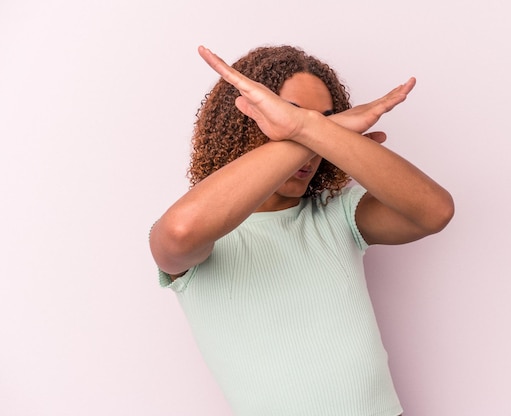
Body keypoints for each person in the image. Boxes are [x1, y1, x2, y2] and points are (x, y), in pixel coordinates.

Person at [149, 44, 454, 416]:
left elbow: (434, 211)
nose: (311, 142)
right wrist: (315, 131)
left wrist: (305, 128)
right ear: (246, 120)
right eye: (288, 116)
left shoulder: (336, 214)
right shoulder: (206, 234)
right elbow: (179, 232)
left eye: (326, 121)